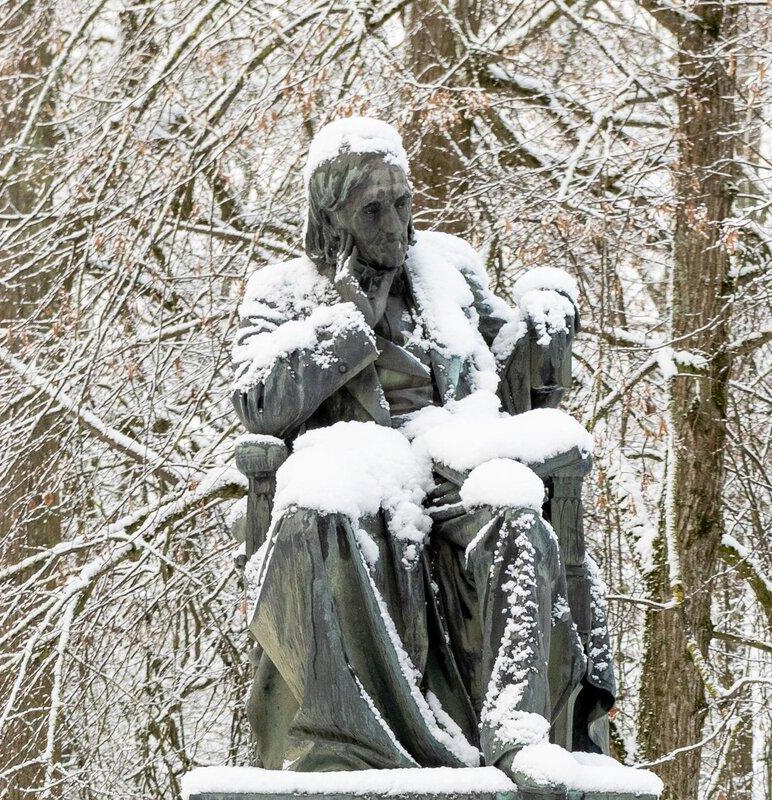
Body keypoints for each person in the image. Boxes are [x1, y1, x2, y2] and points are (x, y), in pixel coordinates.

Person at [229, 118, 616, 790]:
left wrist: (548, 310)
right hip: (372, 479)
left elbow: (518, 367)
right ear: (331, 219)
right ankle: (352, 742)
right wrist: (350, 318)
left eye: (403, 203)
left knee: (517, 512)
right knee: (326, 511)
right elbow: (257, 400)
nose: (395, 225)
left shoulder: (449, 270)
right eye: (372, 210)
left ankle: (516, 737)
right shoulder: (284, 291)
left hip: (460, 461)